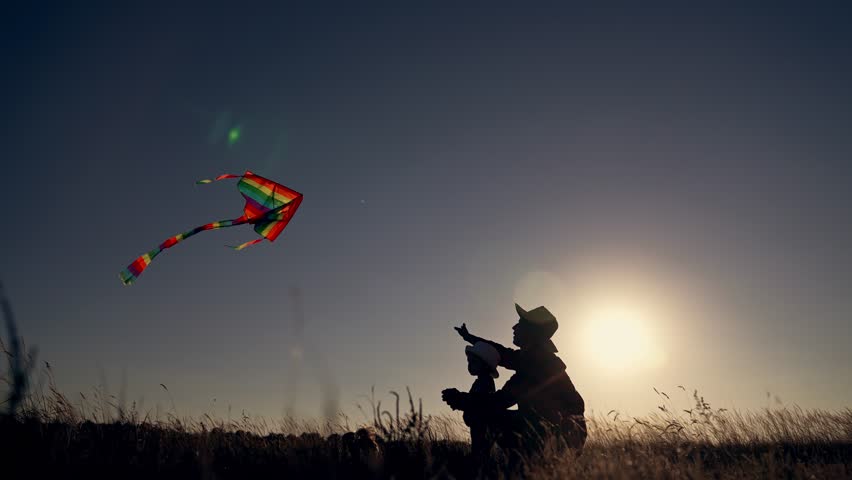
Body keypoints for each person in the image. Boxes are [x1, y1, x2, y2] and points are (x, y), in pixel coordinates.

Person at [442, 303, 586, 454]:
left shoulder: (538, 364)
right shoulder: (535, 358)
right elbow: (502, 353)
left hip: (558, 439)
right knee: (486, 413)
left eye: (520, 324)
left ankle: (480, 466)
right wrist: (470, 338)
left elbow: (501, 400)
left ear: (531, 333)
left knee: (484, 415)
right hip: (554, 432)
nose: (514, 328)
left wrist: (462, 400)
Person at [454, 341, 500, 456]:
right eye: (469, 361)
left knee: (480, 454)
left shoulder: (484, 382)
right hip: (478, 426)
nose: (469, 365)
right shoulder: (483, 381)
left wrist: (460, 400)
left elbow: (478, 402)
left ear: (484, 364)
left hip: (481, 427)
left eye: (473, 361)